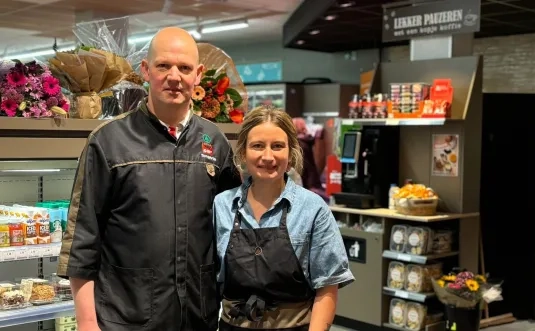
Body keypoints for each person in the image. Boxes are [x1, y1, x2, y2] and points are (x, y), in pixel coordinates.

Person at [57, 27, 241, 331]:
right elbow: (82, 240)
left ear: (198, 75)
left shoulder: (215, 142)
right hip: (126, 318)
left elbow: (232, 231)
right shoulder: (108, 142)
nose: (174, 76)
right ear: (146, 70)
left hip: (198, 316)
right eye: (163, 66)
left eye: (184, 68)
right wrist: (87, 323)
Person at [214, 106, 355, 331]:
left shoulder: (313, 209)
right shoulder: (222, 205)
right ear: (242, 152)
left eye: (278, 146)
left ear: (291, 154)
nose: (268, 156)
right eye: (257, 146)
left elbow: (328, 287)